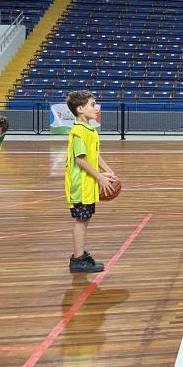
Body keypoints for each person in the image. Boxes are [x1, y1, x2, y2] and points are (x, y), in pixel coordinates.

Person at [65, 91, 117, 273]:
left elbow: (94, 154)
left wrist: (107, 170)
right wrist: (100, 177)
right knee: (81, 220)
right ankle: (78, 259)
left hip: (88, 184)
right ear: (80, 109)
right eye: (92, 104)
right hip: (80, 185)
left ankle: (79, 255)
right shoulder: (78, 131)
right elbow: (81, 160)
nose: (96, 108)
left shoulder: (90, 129)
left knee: (84, 218)